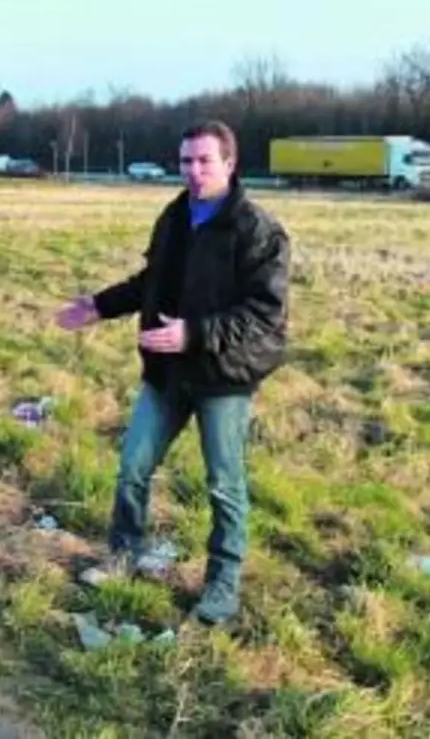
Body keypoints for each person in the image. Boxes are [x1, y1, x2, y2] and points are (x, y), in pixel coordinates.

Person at [54, 120, 291, 625]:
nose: (194, 170)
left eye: (205, 160)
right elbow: (151, 282)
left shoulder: (257, 231)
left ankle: (222, 587)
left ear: (230, 163)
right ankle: (123, 553)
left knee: (224, 485)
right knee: (133, 465)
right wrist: (99, 306)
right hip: (166, 373)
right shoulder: (175, 216)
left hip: (222, 376)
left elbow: (264, 313)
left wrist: (195, 333)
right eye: (186, 161)